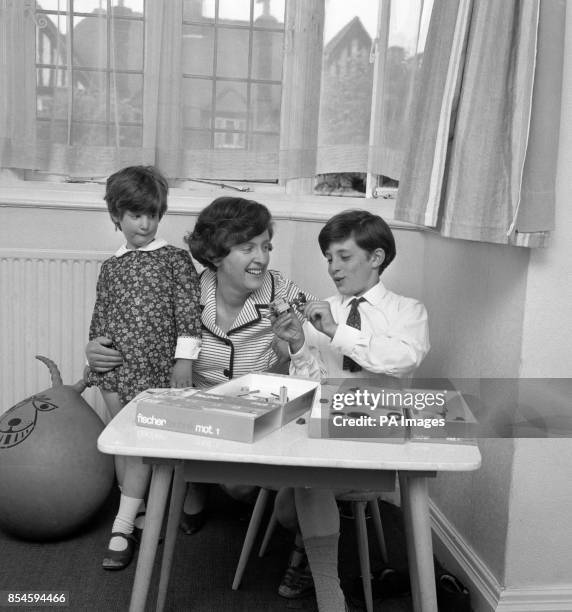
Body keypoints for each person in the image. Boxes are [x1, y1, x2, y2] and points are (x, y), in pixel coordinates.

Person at [85, 196, 312, 566]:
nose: (262, 257)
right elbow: (139, 328)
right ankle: (194, 487)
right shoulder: (190, 287)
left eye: (266, 246)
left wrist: (300, 346)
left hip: (257, 414)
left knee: (239, 487)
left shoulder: (281, 291)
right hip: (199, 413)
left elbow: (329, 328)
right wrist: (96, 350)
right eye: (247, 247)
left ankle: (231, 489)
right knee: (177, 456)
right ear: (218, 254)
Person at [270, 209, 430, 612]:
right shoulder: (323, 311)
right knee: (295, 496)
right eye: (328, 259)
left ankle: (327, 591)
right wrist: (296, 345)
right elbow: (309, 382)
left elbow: (401, 359)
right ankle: (315, 549)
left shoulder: (408, 311)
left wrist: (336, 332)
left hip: (380, 431)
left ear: (376, 257)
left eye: (343, 257)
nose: (333, 268)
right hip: (325, 429)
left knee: (303, 487)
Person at [85, 165, 202, 570]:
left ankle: (120, 528)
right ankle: (135, 513)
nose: (146, 223)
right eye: (136, 215)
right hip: (116, 372)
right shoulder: (111, 267)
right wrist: (94, 355)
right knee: (123, 445)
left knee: (140, 445)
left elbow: (189, 315)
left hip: (156, 371)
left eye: (153, 214)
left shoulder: (174, 260)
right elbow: (101, 321)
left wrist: (184, 360)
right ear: (116, 215)